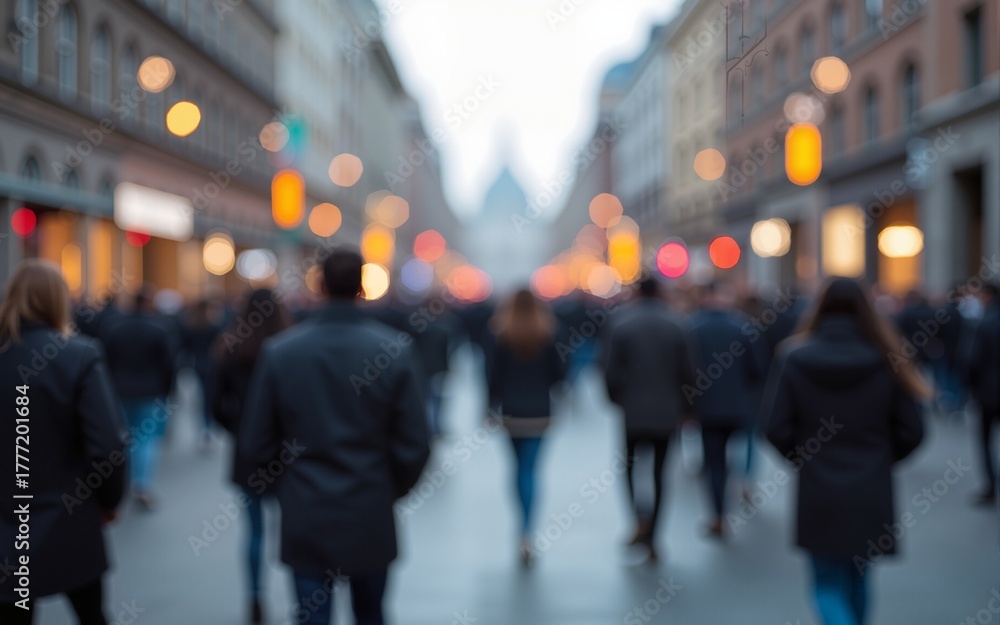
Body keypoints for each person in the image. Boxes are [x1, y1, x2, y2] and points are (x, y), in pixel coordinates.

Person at [238, 249, 430, 625]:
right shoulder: (393, 349)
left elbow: (256, 441)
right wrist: (390, 487)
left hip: (307, 508)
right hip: (369, 503)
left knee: (312, 616)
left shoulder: (282, 351)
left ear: (320, 285)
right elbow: (415, 442)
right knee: (371, 613)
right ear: (362, 287)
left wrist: (286, 485)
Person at [762, 277, 928, 625]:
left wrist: (805, 458)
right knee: (859, 578)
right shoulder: (888, 359)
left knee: (826, 582)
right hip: (871, 485)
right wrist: (880, 458)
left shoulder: (795, 357)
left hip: (818, 486)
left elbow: (775, 428)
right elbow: (913, 429)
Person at [0, 260, 127, 625]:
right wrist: (110, 500)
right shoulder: (78, 355)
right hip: (68, 514)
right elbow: (107, 446)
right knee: (91, 614)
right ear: (58, 301)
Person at [211, 289, 291, 623]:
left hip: (248, 448)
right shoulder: (290, 347)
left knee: (255, 529)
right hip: (288, 448)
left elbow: (215, 402)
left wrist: (238, 429)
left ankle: (256, 594)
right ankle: (302, 588)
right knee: (294, 525)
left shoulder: (230, 346)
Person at [603, 277, 694, 560]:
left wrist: (618, 399)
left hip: (633, 411)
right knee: (660, 474)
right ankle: (654, 533)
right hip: (667, 411)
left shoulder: (621, 324)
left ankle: (637, 519)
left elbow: (608, 370)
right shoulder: (677, 324)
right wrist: (688, 408)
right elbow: (690, 371)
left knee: (630, 469)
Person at [487, 289, 566, 566]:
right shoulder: (546, 335)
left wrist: (489, 407)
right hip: (539, 412)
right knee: (531, 469)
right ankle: (527, 530)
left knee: (517, 468)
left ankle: (522, 528)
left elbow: (492, 376)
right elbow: (559, 375)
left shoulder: (502, 336)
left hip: (512, 412)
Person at [686, 281, 766, 537]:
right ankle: (743, 483)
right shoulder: (744, 326)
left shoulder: (691, 327)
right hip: (739, 405)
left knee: (714, 461)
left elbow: (685, 370)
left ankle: (719, 514)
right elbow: (759, 369)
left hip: (706, 407)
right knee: (741, 450)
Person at [99, 288, 178, 510]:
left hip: (120, 389)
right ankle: (141, 484)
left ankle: (124, 480)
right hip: (149, 391)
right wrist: (168, 391)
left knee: (124, 437)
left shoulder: (114, 327)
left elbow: (105, 361)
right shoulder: (159, 329)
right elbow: (168, 364)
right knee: (146, 439)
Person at [965, 283, 999, 504]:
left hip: (989, 393)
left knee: (986, 440)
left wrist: (970, 387)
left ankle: (990, 486)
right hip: (989, 390)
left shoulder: (985, 324)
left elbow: (972, 360)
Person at [183, 298, 223, 449]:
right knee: (208, 398)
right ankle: (207, 430)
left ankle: (204, 429)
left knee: (203, 397)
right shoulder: (214, 326)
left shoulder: (191, 325)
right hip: (210, 367)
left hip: (198, 366)